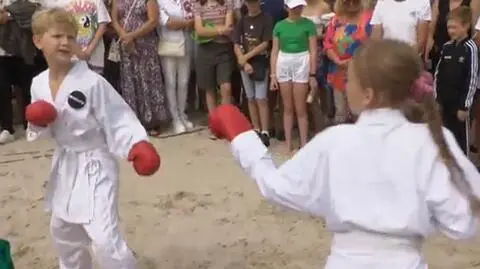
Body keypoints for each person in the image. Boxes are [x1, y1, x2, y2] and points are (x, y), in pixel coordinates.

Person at [208, 39, 480, 269]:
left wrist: (244, 140)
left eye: (350, 79)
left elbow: (278, 187)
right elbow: (465, 222)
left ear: (368, 94)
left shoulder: (335, 141)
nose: (345, 85)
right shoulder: (431, 141)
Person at [26, 8, 160, 268]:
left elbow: (118, 118)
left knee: (104, 238)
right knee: (64, 231)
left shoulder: (91, 82)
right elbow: (42, 132)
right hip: (66, 163)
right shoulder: (38, 84)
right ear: (38, 40)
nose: (65, 42)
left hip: (96, 163)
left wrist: (138, 145)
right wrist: (37, 120)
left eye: (71, 37)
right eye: (57, 36)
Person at [111, 0, 169, 136]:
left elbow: (153, 20)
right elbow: (114, 19)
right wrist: (124, 35)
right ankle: (133, 120)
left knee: (147, 80)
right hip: (126, 45)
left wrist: (132, 35)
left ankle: (151, 122)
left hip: (145, 46)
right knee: (130, 81)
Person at [270, 0, 317, 153]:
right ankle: (288, 144)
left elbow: (313, 51)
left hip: (302, 60)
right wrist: (273, 75)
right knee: (287, 107)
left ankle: (303, 143)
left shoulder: (309, 25)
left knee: (301, 107)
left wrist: (312, 74)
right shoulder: (279, 26)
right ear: (286, 7)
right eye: (294, 6)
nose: (297, 9)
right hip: (284, 61)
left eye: (299, 6)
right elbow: (274, 51)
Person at [434, 6, 478, 156]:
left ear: (466, 26)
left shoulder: (470, 48)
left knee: (460, 140)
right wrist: (437, 98)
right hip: (444, 102)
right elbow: (438, 74)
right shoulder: (446, 47)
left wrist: (465, 106)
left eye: (454, 27)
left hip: (459, 105)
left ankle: (464, 170)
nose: (451, 31)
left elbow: (472, 77)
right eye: (449, 27)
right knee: (445, 137)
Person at [323, 0, 371, 124]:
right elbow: (327, 44)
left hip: (360, 73)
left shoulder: (368, 20)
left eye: (354, 1)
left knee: (360, 113)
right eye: (346, 1)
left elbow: (372, 46)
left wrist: (354, 62)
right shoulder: (335, 21)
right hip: (338, 72)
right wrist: (338, 61)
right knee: (340, 112)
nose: (350, 3)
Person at [233, 0, 273, 146]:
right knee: (250, 98)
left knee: (261, 98)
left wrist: (245, 58)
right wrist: (243, 61)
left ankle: (265, 130)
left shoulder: (266, 19)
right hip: (246, 64)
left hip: (260, 62)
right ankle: (255, 128)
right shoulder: (242, 21)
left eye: (254, 2)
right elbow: (236, 43)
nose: (252, 5)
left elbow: (265, 43)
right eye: (250, 3)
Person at [42, 0, 111, 74]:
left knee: (93, 83)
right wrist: (76, 50)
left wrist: (89, 51)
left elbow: (103, 24)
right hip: (68, 56)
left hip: (93, 56)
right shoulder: (58, 3)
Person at [157, 0, 195, 134]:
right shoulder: (160, 2)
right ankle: (175, 118)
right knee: (170, 82)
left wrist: (182, 23)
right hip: (168, 45)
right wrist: (185, 23)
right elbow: (168, 23)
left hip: (186, 44)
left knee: (184, 82)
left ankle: (182, 113)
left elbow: (194, 18)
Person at [193, 0, 235, 115]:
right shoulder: (198, 5)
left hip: (224, 49)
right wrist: (220, 29)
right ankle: (215, 120)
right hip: (206, 49)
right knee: (209, 88)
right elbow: (199, 31)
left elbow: (229, 28)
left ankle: (226, 118)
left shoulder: (227, 3)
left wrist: (210, 30)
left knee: (226, 86)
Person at [426, 0, 472, 71]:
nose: (451, 30)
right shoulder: (439, 2)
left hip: (463, 48)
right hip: (441, 47)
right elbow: (431, 27)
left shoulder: (473, 2)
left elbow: (474, 27)